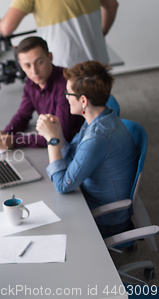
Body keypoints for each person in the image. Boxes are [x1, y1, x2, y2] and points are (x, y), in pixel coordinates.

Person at [36, 61, 138, 238]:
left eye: (68, 93)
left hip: (106, 218)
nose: (65, 97)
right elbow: (74, 156)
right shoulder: (102, 117)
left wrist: (52, 140)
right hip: (89, 197)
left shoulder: (97, 137)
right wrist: (58, 132)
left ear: (83, 100)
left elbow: (62, 185)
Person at [0, 0, 119, 68]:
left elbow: (6, 28)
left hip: (64, 65)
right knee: (101, 95)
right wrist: (101, 33)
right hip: (98, 58)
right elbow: (112, 5)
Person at [0, 36, 84, 149]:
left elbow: (58, 135)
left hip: (73, 147)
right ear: (21, 65)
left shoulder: (66, 85)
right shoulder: (30, 82)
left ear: (50, 57)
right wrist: (4, 134)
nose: (34, 71)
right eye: (27, 65)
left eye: (39, 62)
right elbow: (23, 115)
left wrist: (14, 141)